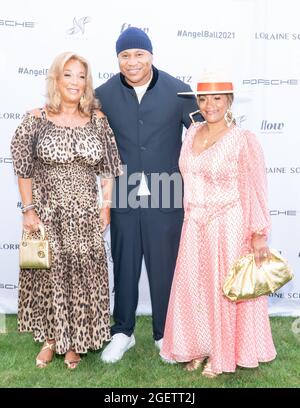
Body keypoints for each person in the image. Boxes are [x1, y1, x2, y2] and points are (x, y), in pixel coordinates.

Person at [95, 27, 202, 363]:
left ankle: (164, 333)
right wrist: (42, 114)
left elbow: (204, 131)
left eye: (139, 54)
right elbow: (74, 118)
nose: (132, 62)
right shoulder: (103, 94)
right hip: (124, 192)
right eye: (125, 55)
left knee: (164, 266)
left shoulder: (179, 91)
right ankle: (122, 332)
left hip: (167, 193)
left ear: (151, 55)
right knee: (124, 263)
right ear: (118, 59)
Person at [160, 71, 277, 377]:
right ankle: (198, 346)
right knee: (194, 288)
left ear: (229, 101)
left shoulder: (243, 140)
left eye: (217, 98)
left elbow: (254, 187)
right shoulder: (193, 133)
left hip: (228, 223)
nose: (209, 104)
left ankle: (222, 353)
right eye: (203, 98)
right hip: (194, 223)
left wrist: (258, 233)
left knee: (223, 290)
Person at [11, 51, 123, 369]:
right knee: (50, 277)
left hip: (86, 213)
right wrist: (29, 210)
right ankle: (51, 340)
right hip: (48, 213)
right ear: (56, 79)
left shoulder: (97, 120)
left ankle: (75, 341)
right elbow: (24, 169)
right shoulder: (36, 119)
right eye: (68, 74)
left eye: (81, 76)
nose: (75, 82)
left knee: (83, 277)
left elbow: (109, 169)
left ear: (87, 83)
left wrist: (107, 207)